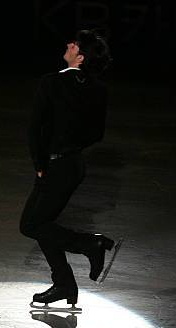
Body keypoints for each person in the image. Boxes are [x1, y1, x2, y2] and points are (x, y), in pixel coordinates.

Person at [20, 29, 115, 307]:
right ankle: (64, 284)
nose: (69, 45)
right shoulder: (98, 89)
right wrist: (71, 146)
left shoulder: (51, 83)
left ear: (81, 57)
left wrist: (40, 163)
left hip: (54, 166)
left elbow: (34, 129)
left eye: (74, 45)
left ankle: (91, 245)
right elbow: (97, 133)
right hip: (73, 165)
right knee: (42, 225)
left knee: (31, 225)